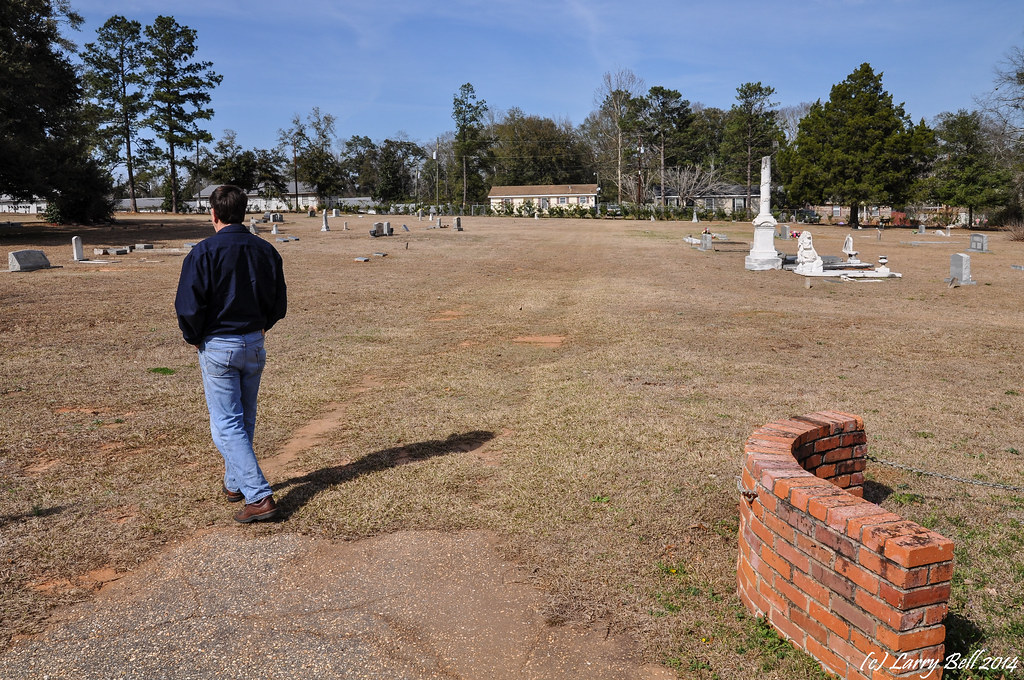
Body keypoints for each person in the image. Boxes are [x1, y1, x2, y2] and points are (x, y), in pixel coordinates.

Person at [175, 185, 287, 523]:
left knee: (226, 423)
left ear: (214, 213)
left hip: (219, 345)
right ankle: (234, 483)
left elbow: (188, 304)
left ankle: (259, 496)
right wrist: (263, 326)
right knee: (244, 418)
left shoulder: (203, 252)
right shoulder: (265, 250)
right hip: (254, 342)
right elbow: (278, 301)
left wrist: (194, 337)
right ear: (243, 211)